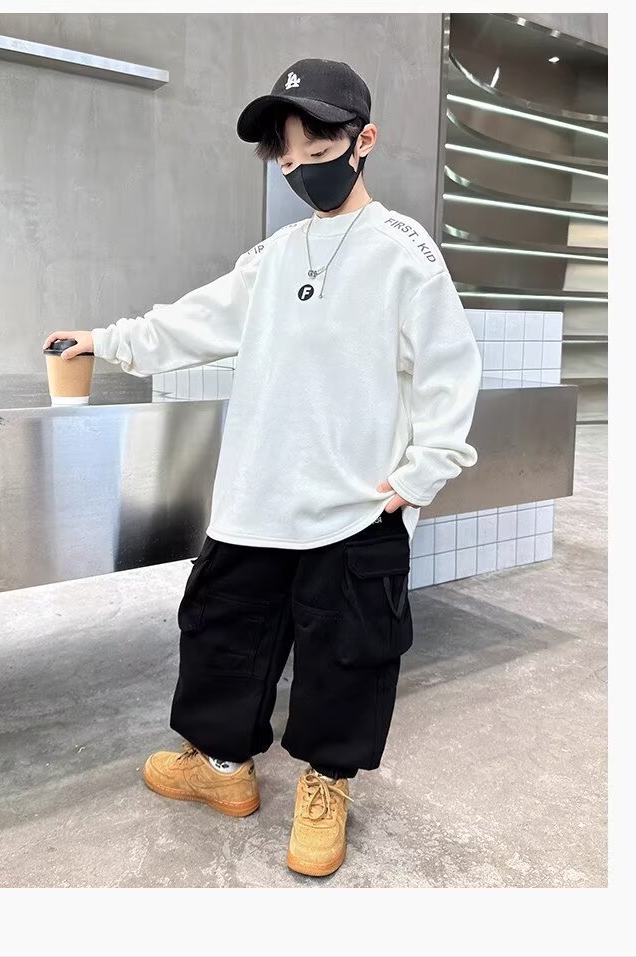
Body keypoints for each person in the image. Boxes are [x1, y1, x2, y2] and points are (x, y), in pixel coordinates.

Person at [44, 57, 482, 878]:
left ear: (363, 141)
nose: (299, 168)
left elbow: (451, 373)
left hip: (355, 507)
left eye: (317, 151)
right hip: (255, 497)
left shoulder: (404, 252)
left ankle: (326, 785)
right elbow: (192, 322)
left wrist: (418, 477)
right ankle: (221, 767)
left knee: (347, 654)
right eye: (286, 155)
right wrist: (105, 340)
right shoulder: (275, 255)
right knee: (222, 634)